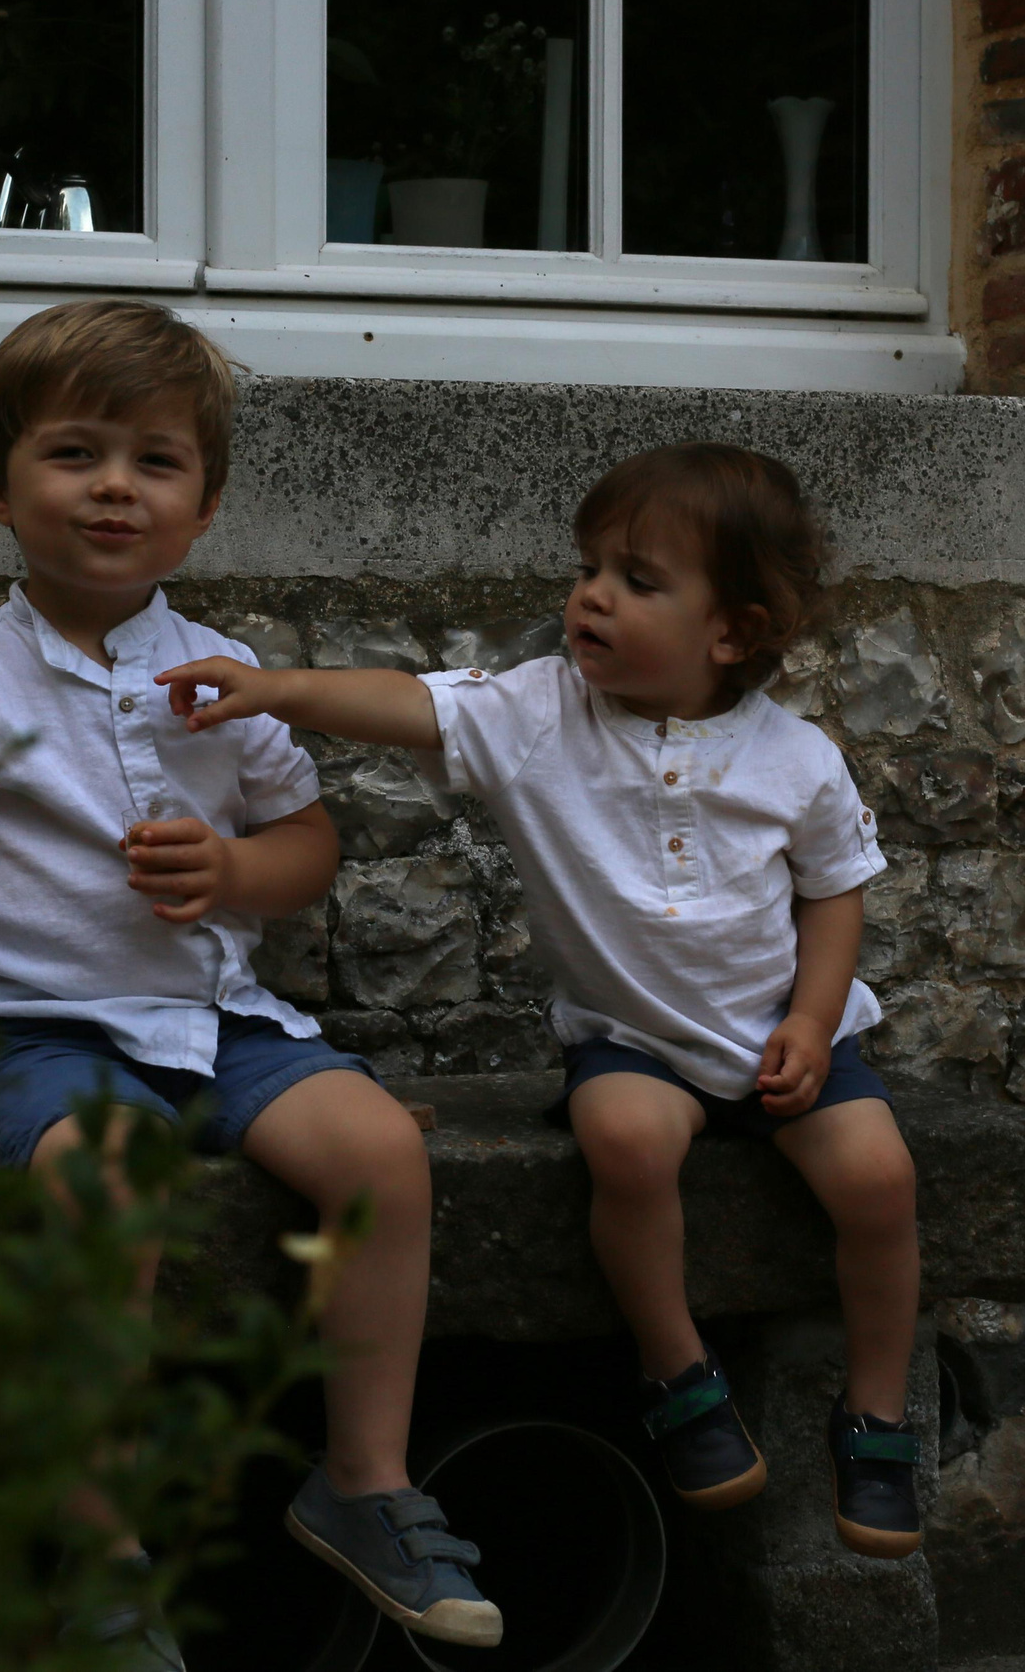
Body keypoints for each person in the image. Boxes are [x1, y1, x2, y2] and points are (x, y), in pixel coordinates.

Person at [154, 442, 925, 1559]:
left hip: (782, 1041)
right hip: (635, 1046)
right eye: (589, 568)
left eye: (637, 580)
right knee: (623, 1141)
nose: (592, 595)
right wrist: (273, 689)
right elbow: (407, 704)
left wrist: (810, 1023)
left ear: (731, 633)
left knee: (879, 1179)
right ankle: (679, 1372)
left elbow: (834, 900)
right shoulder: (536, 713)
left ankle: (878, 1414)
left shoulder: (796, 759)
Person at [0, 299, 500, 1664]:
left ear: (203, 506)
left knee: (384, 1151)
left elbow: (308, 844)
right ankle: (99, 1551)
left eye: (155, 461)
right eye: (76, 452)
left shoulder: (219, 676)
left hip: (216, 1019)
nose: (115, 486)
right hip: (33, 1028)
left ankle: (364, 1477)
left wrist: (231, 874)